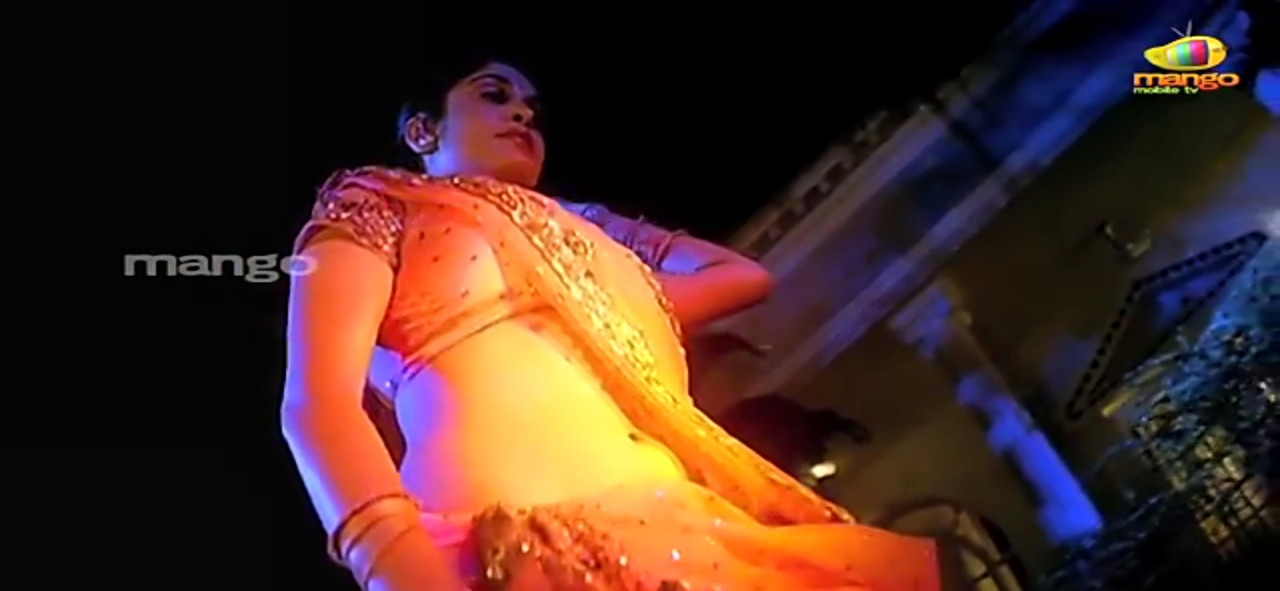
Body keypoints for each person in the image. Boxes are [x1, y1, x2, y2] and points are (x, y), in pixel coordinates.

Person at [282, 58, 940, 590]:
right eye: (494, 94)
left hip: (691, 540)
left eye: (531, 107)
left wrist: (591, 224)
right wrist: (398, 569)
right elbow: (317, 405)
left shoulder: (589, 267)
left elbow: (740, 276)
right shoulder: (378, 203)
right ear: (423, 132)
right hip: (508, 555)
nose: (522, 112)